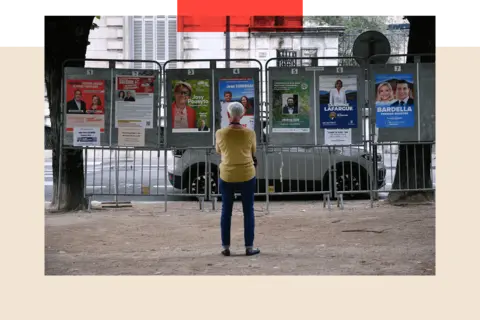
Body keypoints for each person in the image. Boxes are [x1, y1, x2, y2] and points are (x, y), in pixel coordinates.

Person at [215, 102, 260, 257]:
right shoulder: (250, 133)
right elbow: (253, 150)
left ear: (228, 115)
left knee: (226, 211)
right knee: (248, 211)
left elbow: (218, 151)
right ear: (242, 115)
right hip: (247, 174)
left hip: (226, 175)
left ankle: (225, 247)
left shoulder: (220, 133)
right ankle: (249, 247)